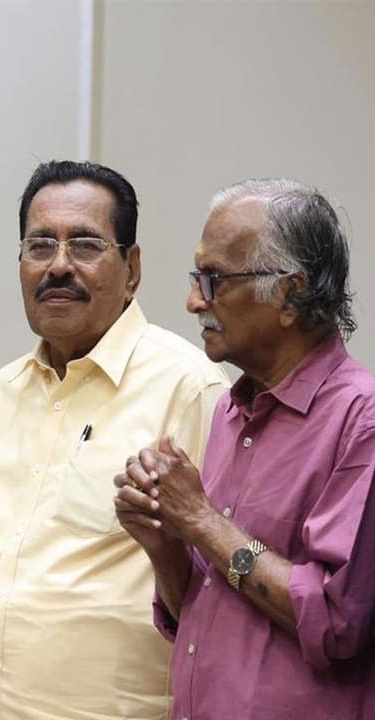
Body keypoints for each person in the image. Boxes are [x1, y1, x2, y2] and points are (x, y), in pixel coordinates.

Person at [0, 161, 229, 719]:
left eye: (85, 245)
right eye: (39, 246)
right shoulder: (2, 391)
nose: (58, 266)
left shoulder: (189, 387)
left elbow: (220, 593)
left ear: (132, 270)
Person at [116, 179, 375, 718]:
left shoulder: (360, 419)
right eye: (196, 277)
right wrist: (165, 540)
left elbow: (334, 622)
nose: (193, 302)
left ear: (288, 292)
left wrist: (201, 520)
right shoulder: (232, 410)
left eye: (213, 280)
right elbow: (212, 601)